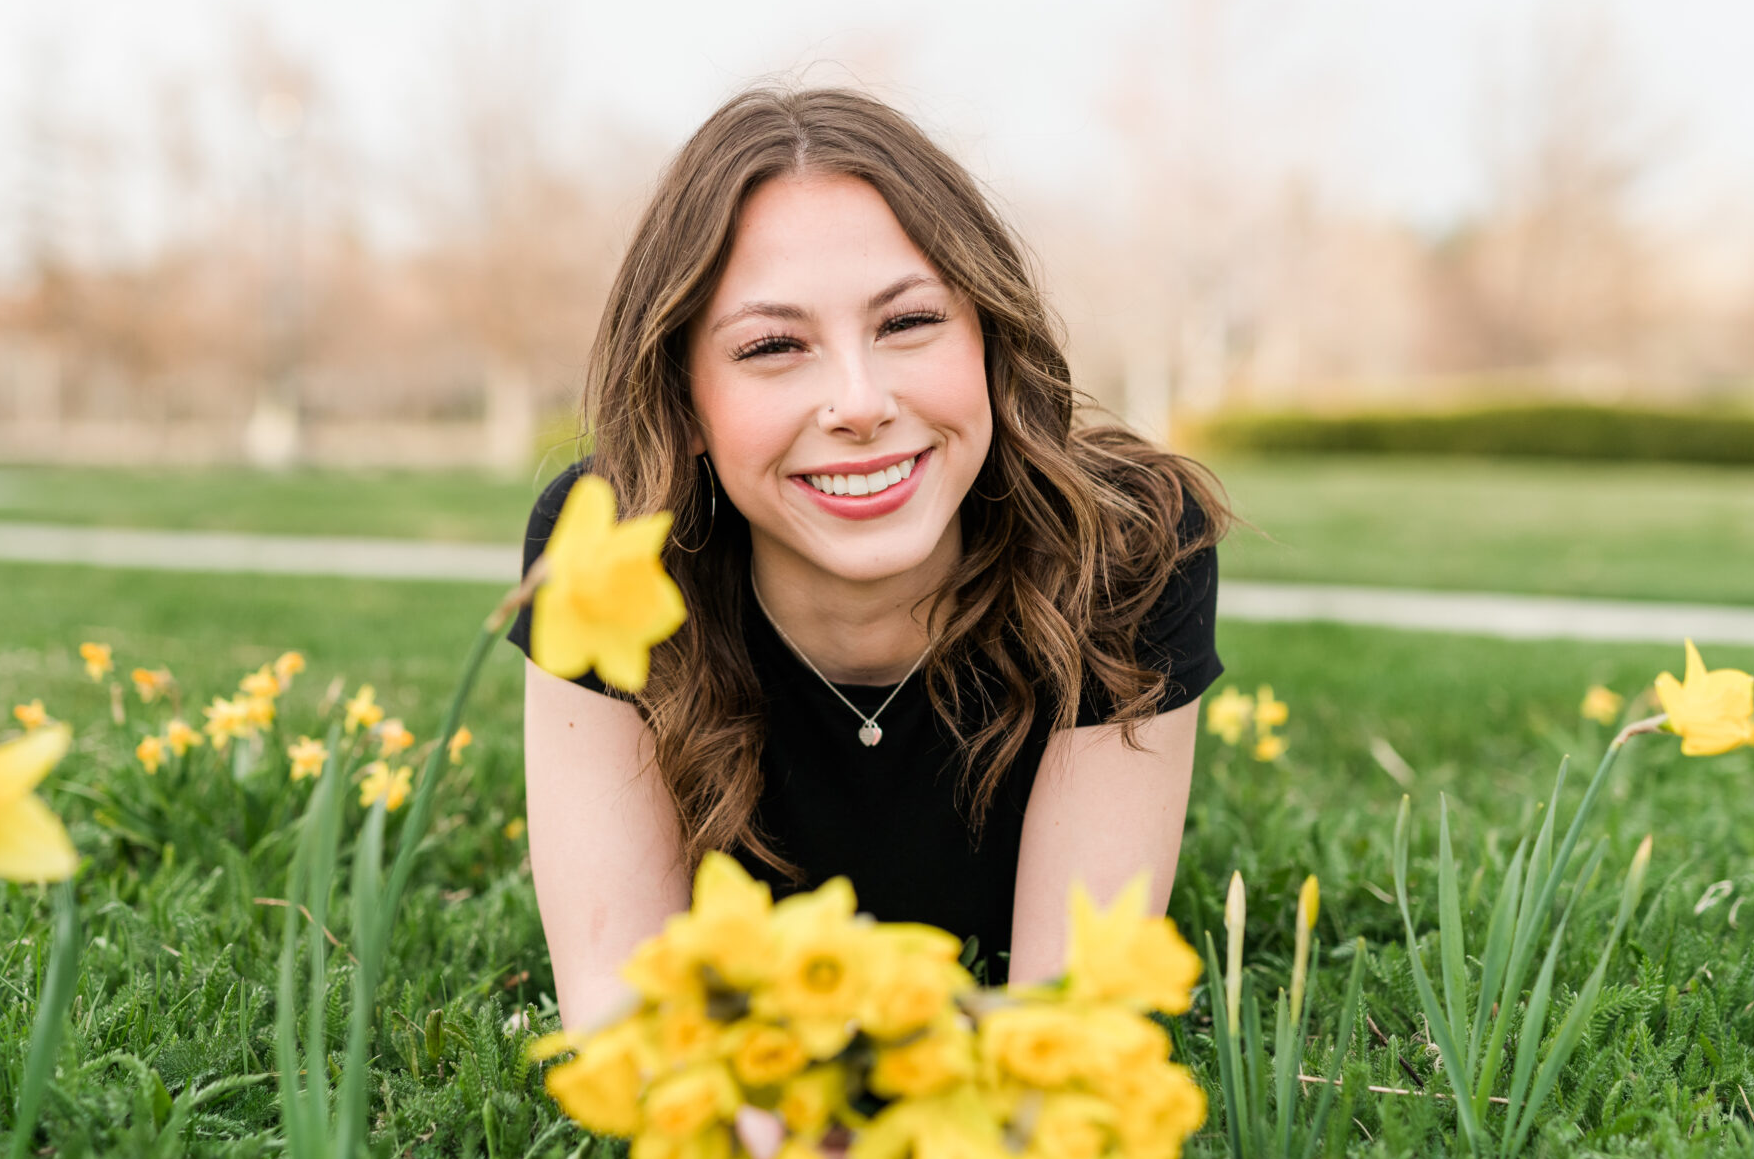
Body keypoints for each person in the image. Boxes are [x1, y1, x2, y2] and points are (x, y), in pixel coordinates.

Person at [509, 85, 1226, 1036]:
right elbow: (617, 1011)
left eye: (908, 323)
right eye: (772, 345)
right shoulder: (604, 550)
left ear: (989, 342)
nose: (858, 401)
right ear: (684, 407)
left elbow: (1068, 1025)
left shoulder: (1127, 543)